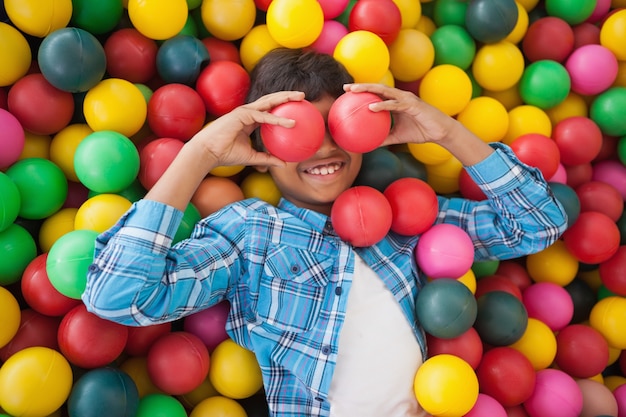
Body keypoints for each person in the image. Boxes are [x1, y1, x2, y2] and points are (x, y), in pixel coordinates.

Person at [82, 48, 568, 417]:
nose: (323, 150)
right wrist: (201, 153)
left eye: (338, 126)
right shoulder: (252, 232)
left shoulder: (406, 218)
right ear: (261, 142)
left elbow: (537, 224)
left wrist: (446, 133)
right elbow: (118, 295)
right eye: (299, 131)